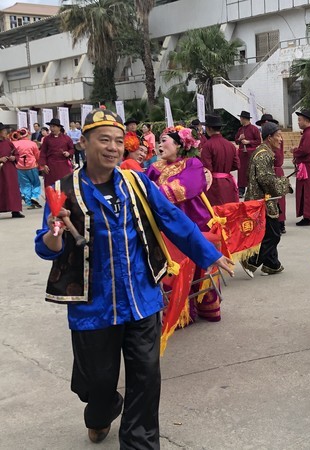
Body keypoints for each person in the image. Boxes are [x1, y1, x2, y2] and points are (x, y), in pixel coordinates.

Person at [34, 108, 233, 448]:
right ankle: (101, 410)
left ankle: (139, 442)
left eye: (116, 140)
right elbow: (47, 248)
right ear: (83, 143)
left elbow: (171, 217)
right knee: (96, 383)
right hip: (92, 308)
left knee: (146, 377)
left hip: (141, 298)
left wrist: (209, 253)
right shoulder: (63, 189)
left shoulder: (136, 182)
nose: (112, 147)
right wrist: (55, 230)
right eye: (103, 140)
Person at [147, 125, 222, 322]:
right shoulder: (154, 167)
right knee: (175, 267)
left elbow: (188, 187)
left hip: (195, 220)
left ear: (179, 144)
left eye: (165, 140)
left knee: (198, 263)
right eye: (160, 140)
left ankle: (204, 306)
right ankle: (180, 313)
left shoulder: (192, 164)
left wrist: (156, 192)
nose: (160, 144)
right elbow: (144, 190)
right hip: (167, 225)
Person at [241, 122, 291, 276]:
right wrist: (284, 184)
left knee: (268, 232)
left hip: (260, 198)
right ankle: (251, 261)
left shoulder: (262, 151)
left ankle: (272, 264)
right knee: (273, 235)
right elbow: (266, 180)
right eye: (278, 136)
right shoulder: (264, 154)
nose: (281, 139)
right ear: (269, 137)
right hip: (262, 201)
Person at [201, 113, 240, 206]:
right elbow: (236, 165)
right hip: (228, 183)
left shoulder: (207, 145)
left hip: (214, 185)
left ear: (209, 128)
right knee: (230, 212)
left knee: (216, 213)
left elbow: (207, 169)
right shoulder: (230, 145)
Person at [292, 109, 310, 226]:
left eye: (300, 120)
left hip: (307, 166)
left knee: (307, 191)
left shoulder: (308, 134)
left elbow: (305, 150)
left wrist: (294, 151)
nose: (298, 122)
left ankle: (308, 216)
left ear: (307, 121)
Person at [39, 118, 74, 187]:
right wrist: (43, 165)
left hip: (64, 166)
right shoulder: (47, 139)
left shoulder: (66, 138)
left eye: (54, 127)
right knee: (51, 187)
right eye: (51, 127)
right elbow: (43, 152)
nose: (52, 129)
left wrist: (68, 153)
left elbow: (72, 149)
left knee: (64, 186)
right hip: (51, 166)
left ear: (59, 127)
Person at [12, 128, 42, 209]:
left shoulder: (14, 144)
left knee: (25, 185)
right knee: (36, 183)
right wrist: (40, 165)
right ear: (27, 134)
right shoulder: (32, 144)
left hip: (19, 167)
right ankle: (34, 196)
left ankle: (28, 201)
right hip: (32, 166)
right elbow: (37, 155)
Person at [0, 122, 25, 218]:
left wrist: (14, 158)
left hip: (10, 169)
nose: (6, 132)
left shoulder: (9, 143)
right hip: (1, 169)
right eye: (3, 131)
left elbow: (16, 154)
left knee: (13, 189)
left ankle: (15, 210)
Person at [235, 111, 261, 198]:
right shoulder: (240, 129)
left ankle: (251, 190)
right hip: (242, 154)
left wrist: (249, 141)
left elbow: (258, 141)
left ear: (244, 119)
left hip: (251, 154)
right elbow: (236, 141)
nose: (240, 120)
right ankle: (241, 190)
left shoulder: (254, 129)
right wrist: (239, 138)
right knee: (241, 172)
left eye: (241, 119)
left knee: (251, 171)